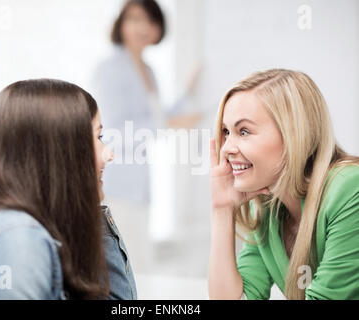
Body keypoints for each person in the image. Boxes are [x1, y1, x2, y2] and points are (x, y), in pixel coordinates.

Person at [0, 79, 137, 300]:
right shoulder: (15, 239)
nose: (109, 154)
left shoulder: (28, 233)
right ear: (58, 151)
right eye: (98, 137)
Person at [208, 69, 359, 300]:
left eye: (244, 131)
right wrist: (222, 208)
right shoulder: (265, 205)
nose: (227, 147)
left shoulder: (349, 188)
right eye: (226, 132)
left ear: (293, 134)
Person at [91, 0, 201, 273]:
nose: (143, 27)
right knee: (124, 267)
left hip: (140, 186)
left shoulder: (148, 70)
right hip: (116, 183)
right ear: (121, 24)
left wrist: (188, 93)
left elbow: (156, 116)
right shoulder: (109, 69)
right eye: (134, 19)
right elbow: (114, 132)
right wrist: (170, 123)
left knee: (139, 264)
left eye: (150, 21)